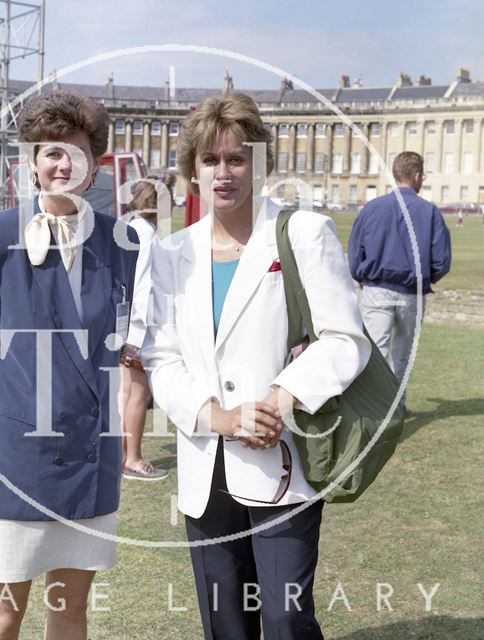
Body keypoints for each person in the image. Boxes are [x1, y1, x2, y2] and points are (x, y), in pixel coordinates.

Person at [142, 92, 371, 640]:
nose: (224, 173)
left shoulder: (302, 234)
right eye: (210, 160)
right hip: (205, 469)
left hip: (281, 459)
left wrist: (279, 399)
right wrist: (214, 416)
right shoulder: (174, 253)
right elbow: (160, 357)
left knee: (287, 618)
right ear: (192, 171)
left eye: (237, 158)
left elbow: (346, 339)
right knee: (226, 626)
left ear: (259, 164)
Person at [0, 89, 138, 640]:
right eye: (52, 152)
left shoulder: (121, 243)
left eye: (76, 153)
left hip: (89, 456)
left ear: (95, 164)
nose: (63, 164)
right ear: (32, 162)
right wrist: (8, 409)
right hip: (14, 457)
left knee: (71, 612)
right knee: (2, 616)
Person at [348, 151, 451, 393]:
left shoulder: (371, 208)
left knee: (375, 354)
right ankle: (396, 408)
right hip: (411, 293)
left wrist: (362, 278)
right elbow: (442, 261)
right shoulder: (430, 211)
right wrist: (424, 278)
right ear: (416, 176)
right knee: (403, 356)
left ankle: (376, 411)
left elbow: (354, 253)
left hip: (376, 289)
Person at [119, 176, 174, 480]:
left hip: (127, 325)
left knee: (127, 394)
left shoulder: (130, 230)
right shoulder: (149, 236)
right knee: (138, 395)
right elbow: (146, 285)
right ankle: (134, 459)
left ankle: (124, 455)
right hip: (141, 325)